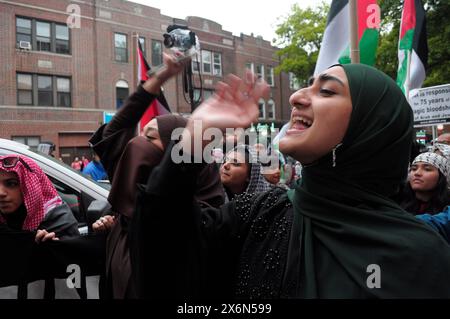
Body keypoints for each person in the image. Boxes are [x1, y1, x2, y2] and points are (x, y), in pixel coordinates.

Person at [135, 64, 450, 298]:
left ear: (372, 127)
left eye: (326, 91)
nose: (298, 97)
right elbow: (164, 250)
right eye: (306, 87)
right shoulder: (258, 214)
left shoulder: (423, 255)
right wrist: (195, 136)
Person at [89, 52, 224, 299]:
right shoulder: (127, 200)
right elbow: (115, 130)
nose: (137, 144)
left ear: (176, 151)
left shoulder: (197, 215)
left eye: (150, 138)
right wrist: (158, 79)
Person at [0, 155, 79, 242]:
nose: (1, 193)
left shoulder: (59, 222)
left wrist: (54, 248)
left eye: (11, 184)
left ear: (29, 186)